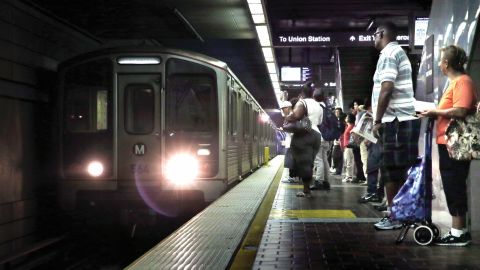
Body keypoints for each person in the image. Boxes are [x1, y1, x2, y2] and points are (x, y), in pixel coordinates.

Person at [420, 45, 477, 246]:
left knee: (455, 185)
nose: (438, 64)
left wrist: (435, 113)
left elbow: (461, 111)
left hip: (455, 145)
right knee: (452, 185)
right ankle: (458, 230)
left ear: (446, 64)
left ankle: (459, 232)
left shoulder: (463, 82)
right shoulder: (455, 82)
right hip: (447, 143)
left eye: (440, 60)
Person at [370, 21, 421, 230]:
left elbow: (387, 88)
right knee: (396, 168)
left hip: (396, 121)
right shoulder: (395, 53)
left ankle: (396, 216)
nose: (373, 39)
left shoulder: (390, 54)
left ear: (381, 34)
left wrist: (377, 119)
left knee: (391, 169)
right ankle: (399, 212)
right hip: (399, 120)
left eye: (374, 35)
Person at [285, 86, 322, 198]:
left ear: (302, 94)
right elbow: (320, 121)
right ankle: (307, 189)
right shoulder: (318, 105)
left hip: (305, 134)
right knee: (309, 163)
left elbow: (294, 116)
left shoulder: (302, 102)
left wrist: (288, 114)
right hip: (316, 134)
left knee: (304, 163)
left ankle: (306, 191)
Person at [311, 88, 331, 190]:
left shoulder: (316, 107)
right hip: (326, 137)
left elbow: (316, 123)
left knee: (318, 160)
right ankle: (326, 181)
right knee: (324, 159)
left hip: (319, 136)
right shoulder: (326, 107)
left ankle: (318, 181)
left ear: (314, 97)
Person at [279, 101, 298, 183]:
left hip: (291, 142)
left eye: (283, 109)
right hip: (291, 141)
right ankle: (293, 176)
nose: (282, 110)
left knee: (291, 160)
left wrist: (283, 129)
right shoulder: (292, 116)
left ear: (287, 108)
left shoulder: (291, 116)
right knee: (292, 160)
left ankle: (292, 177)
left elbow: (293, 129)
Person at [341, 113, 356, 183]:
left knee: (349, 161)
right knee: (347, 161)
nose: (345, 118)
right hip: (347, 146)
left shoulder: (352, 126)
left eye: (347, 117)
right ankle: (349, 175)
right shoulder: (348, 126)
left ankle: (349, 176)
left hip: (349, 146)